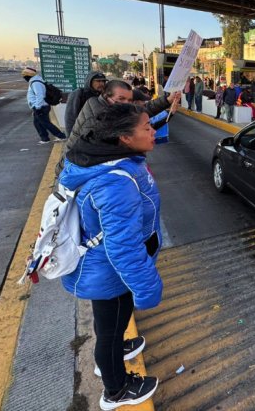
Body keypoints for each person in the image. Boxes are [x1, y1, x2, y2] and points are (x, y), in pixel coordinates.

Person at [59, 103, 162, 408]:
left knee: (109, 326)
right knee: (109, 331)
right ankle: (116, 389)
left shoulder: (106, 160)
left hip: (101, 267)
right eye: (147, 127)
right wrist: (147, 289)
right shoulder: (116, 181)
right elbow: (124, 248)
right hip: (109, 272)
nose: (154, 131)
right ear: (124, 138)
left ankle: (112, 359)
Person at [58, 80, 177, 177]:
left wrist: (167, 100)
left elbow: (141, 112)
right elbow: (87, 158)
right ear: (106, 96)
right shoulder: (98, 117)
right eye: (121, 99)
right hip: (75, 172)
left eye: (129, 101)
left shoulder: (112, 110)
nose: (126, 104)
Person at [22, 66, 66, 144]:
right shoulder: (35, 81)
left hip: (41, 106)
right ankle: (45, 138)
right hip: (39, 106)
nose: (24, 77)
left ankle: (61, 136)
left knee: (45, 123)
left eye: (25, 76)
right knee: (38, 123)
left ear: (28, 75)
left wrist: (38, 107)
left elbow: (40, 95)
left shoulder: (36, 83)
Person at [64, 71, 108, 135]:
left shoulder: (103, 96)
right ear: (90, 81)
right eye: (98, 81)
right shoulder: (78, 94)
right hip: (81, 135)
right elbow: (70, 118)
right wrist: (70, 137)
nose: (102, 84)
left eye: (103, 81)